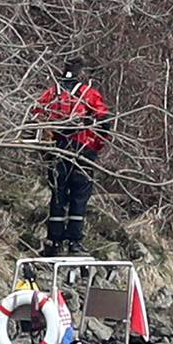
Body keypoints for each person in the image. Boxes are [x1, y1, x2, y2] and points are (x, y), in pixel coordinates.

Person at [31, 58, 113, 257]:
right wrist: (97, 145)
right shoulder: (89, 94)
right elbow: (104, 121)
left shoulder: (51, 94)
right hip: (82, 149)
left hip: (56, 150)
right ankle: (74, 242)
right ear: (81, 73)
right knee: (79, 195)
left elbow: (35, 117)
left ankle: (54, 241)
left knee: (58, 194)